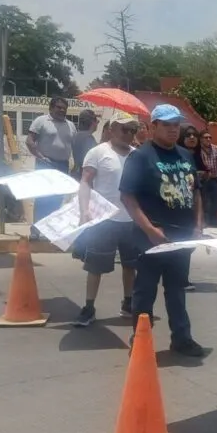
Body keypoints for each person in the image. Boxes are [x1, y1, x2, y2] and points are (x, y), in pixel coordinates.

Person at [119, 104, 206, 357]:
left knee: (177, 290)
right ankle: (141, 339)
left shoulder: (185, 156)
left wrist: (198, 224)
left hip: (182, 238)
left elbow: (196, 192)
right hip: (151, 239)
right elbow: (127, 197)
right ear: (153, 126)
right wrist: (148, 229)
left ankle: (182, 338)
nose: (172, 129)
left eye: (175, 125)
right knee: (145, 292)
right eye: (166, 125)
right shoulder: (141, 156)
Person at [74, 111, 139, 328]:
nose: (129, 134)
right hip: (104, 220)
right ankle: (89, 307)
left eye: (133, 130)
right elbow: (85, 183)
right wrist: (85, 211)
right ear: (111, 129)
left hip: (131, 220)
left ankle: (128, 303)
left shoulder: (137, 155)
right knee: (95, 267)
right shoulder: (97, 152)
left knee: (131, 266)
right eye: (124, 129)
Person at [26, 97, 76, 233]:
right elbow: (29, 141)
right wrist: (41, 157)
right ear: (51, 108)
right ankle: (36, 230)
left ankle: (50, 230)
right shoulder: (41, 121)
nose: (62, 110)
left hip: (63, 166)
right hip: (45, 164)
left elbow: (74, 145)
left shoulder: (70, 125)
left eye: (64, 108)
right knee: (43, 197)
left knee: (58, 198)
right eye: (59, 107)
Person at [177, 125, 205, 292]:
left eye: (195, 135)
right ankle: (179, 277)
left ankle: (181, 276)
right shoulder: (178, 154)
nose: (192, 137)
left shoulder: (196, 155)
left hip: (197, 198)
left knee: (191, 242)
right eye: (188, 135)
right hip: (179, 202)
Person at [199, 129, 217, 227]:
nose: (208, 139)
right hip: (203, 180)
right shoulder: (198, 150)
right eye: (206, 137)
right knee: (204, 200)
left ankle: (214, 221)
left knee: (215, 201)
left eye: (210, 137)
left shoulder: (216, 149)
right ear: (201, 139)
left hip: (215, 179)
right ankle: (206, 222)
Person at [71, 109, 99, 180]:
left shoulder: (77, 135)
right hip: (82, 174)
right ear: (92, 122)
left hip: (76, 172)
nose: (98, 123)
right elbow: (91, 159)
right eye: (97, 121)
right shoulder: (88, 138)